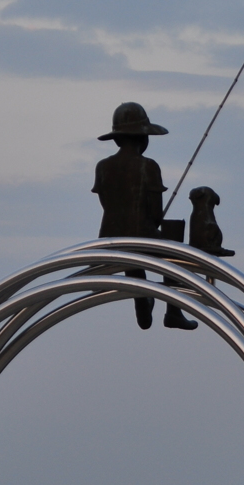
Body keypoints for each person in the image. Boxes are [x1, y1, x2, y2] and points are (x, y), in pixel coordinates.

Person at [92, 101, 197, 331]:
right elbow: (156, 214)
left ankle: (142, 300)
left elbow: (105, 204)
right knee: (174, 255)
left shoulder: (102, 167)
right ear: (143, 138)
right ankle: (173, 311)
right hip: (140, 235)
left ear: (117, 138)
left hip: (108, 239)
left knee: (131, 249)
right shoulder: (149, 166)